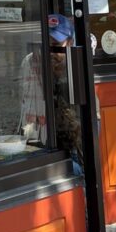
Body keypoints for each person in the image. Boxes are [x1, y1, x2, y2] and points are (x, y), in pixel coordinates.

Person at [19, 14, 83, 173]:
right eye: (45, 45)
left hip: (72, 142)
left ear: (69, 42)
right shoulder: (30, 62)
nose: (50, 52)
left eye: (55, 45)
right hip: (41, 139)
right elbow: (24, 100)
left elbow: (93, 119)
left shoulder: (76, 65)